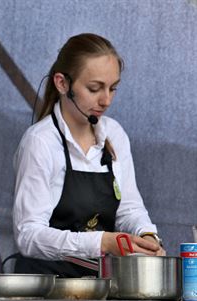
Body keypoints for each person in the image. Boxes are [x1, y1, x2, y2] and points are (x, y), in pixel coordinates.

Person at [12, 33, 165, 277]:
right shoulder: (40, 142)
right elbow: (28, 236)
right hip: (46, 287)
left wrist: (146, 236)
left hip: (101, 284)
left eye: (113, 88)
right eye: (94, 88)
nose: (105, 100)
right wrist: (102, 242)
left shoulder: (115, 134)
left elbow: (129, 210)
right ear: (62, 84)